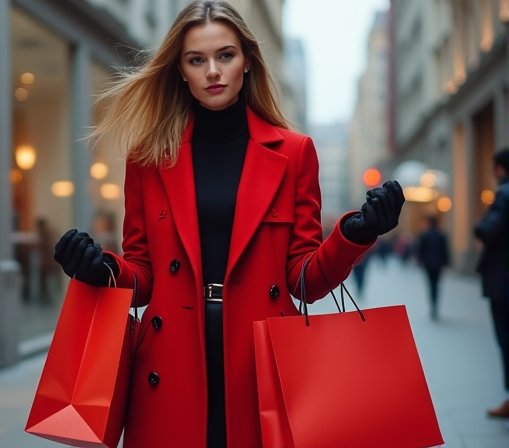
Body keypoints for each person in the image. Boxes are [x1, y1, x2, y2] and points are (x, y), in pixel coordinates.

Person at [52, 2, 405, 447]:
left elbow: (303, 280)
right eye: (196, 60)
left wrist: (355, 234)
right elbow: (142, 277)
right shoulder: (147, 157)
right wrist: (97, 267)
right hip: (170, 363)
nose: (212, 71)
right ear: (180, 70)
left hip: (260, 360)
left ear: (248, 62)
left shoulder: (294, 154)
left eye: (225, 55)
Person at [474, 147, 509, 419]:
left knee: (506, 340)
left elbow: (488, 230)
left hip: (503, 281)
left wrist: (480, 223)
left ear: (499, 168)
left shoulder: (504, 194)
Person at [416, 215, 449, 320]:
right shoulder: (441, 235)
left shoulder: (425, 235)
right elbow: (445, 250)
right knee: (436, 284)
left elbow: (421, 250)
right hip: (438, 264)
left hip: (428, 264)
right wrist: (446, 263)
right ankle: (435, 304)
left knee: (431, 284)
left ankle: (433, 304)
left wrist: (420, 261)